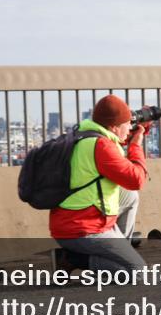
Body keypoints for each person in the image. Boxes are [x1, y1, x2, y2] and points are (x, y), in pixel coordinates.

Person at [49, 94, 151, 273]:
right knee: (137, 271)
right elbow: (137, 179)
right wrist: (136, 144)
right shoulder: (102, 147)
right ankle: (71, 259)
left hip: (70, 220)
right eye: (128, 124)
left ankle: (117, 253)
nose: (131, 127)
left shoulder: (84, 134)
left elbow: (116, 142)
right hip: (82, 228)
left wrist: (139, 130)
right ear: (113, 126)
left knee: (129, 197)